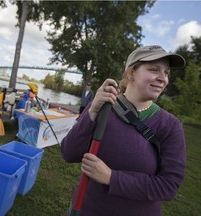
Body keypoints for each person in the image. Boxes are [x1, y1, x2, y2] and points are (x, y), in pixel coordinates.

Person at [61, 45, 186, 216]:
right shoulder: (103, 106)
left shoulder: (170, 126)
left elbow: (168, 186)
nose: (163, 78)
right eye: (154, 69)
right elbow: (69, 153)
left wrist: (112, 178)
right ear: (131, 72)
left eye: (166, 73)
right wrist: (91, 112)